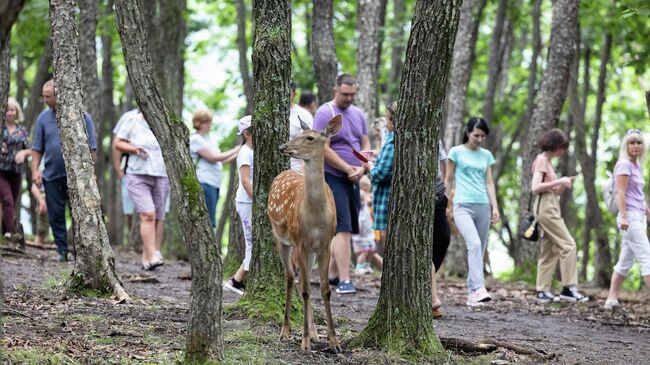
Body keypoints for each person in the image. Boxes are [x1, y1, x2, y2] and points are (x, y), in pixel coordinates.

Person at [313, 74, 370, 295]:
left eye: (352, 95)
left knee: (348, 226)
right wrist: (347, 168)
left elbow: (364, 142)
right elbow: (323, 147)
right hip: (333, 175)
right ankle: (346, 280)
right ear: (336, 89)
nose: (348, 98)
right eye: (345, 94)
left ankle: (334, 276)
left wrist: (362, 168)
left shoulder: (358, 114)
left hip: (355, 176)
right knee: (342, 227)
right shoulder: (325, 113)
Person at [31, 80, 97, 262]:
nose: (45, 100)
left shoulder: (83, 116)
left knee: (78, 214)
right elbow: (37, 147)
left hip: (77, 177)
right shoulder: (43, 119)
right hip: (51, 175)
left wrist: (90, 174)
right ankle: (61, 250)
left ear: (59, 95)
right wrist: (35, 170)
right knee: (55, 213)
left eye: (48, 96)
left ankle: (80, 251)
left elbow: (92, 148)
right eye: (43, 96)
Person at [446, 117, 499, 306]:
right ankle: (479, 288)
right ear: (468, 133)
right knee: (474, 244)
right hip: (462, 204)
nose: (479, 139)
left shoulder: (486, 155)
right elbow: (448, 179)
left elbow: (489, 182)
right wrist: (446, 203)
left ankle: (472, 294)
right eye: (476, 135)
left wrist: (495, 207)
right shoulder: (456, 152)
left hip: (483, 205)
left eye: (483, 136)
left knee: (480, 248)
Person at [531, 128, 588, 303]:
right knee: (568, 245)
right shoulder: (542, 160)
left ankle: (542, 290)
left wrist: (563, 184)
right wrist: (560, 181)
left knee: (549, 250)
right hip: (546, 208)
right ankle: (568, 288)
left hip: (550, 205)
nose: (562, 151)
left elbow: (550, 189)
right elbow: (535, 187)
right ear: (554, 146)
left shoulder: (547, 162)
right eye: (561, 147)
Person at [114, 111, 169, 270]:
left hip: (160, 174)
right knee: (148, 214)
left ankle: (147, 260)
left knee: (158, 216)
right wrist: (135, 149)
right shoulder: (131, 120)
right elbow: (118, 143)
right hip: (137, 174)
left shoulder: (163, 118)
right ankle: (153, 255)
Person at [604, 129, 650, 309]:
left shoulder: (636, 165)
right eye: (632, 142)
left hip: (638, 216)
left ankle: (611, 299)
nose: (636, 146)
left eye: (639, 142)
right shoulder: (624, 165)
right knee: (647, 256)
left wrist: (646, 211)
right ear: (626, 146)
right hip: (629, 217)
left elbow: (637, 194)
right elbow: (620, 192)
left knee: (625, 260)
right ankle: (611, 298)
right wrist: (623, 216)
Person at [189, 109, 240, 228]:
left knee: (211, 215)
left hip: (214, 183)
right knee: (208, 218)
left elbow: (221, 161)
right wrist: (236, 149)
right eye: (207, 122)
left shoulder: (208, 140)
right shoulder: (196, 139)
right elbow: (214, 157)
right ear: (199, 123)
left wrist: (239, 153)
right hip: (205, 182)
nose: (209, 125)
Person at [224, 115, 254, 295]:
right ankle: (236, 280)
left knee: (255, 242)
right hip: (247, 202)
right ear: (248, 133)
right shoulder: (245, 152)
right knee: (252, 242)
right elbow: (245, 180)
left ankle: (239, 280)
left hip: (252, 201)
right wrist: (258, 202)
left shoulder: (254, 151)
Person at [1, 98, 30, 234]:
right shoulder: (1, 129)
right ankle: (9, 233)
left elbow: (31, 149)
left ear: (17, 112)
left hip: (16, 172)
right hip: (1, 171)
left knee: (12, 201)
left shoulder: (22, 131)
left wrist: (24, 153)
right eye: (7, 110)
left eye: (12, 110)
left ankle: (4, 229)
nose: (10, 113)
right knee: (7, 200)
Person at [111, 108, 139, 231]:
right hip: (128, 169)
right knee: (129, 209)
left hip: (152, 170)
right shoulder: (128, 116)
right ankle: (132, 235)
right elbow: (116, 143)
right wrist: (118, 169)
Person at [352, 176, 382, 275]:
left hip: (368, 229)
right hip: (362, 228)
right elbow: (367, 201)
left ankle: (366, 265)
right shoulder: (361, 194)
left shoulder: (365, 195)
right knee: (364, 251)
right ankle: (359, 266)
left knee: (371, 250)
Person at [290, 81, 314, 172]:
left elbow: (310, 143)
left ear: (294, 94)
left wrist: (302, 171)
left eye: (287, 93)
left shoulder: (304, 115)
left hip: (295, 170)